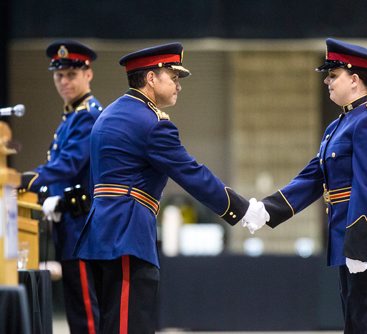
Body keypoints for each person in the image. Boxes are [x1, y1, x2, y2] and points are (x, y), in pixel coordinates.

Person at [73, 42, 268, 334]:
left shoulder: (111, 114)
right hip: (127, 233)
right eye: (173, 78)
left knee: (114, 323)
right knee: (129, 325)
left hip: (103, 231)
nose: (178, 86)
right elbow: (191, 173)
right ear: (151, 78)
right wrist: (242, 210)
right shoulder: (151, 123)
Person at [246, 38, 367, 333]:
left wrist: (360, 244)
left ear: (354, 79)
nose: (327, 81)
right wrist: (267, 210)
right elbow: (313, 177)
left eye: (333, 75)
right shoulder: (338, 125)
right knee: (355, 323)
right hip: (351, 237)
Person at [19, 40, 102, 334]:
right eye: (59, 75)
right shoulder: (71, 116)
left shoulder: (87, 115)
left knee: (85, 311)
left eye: (71, 75)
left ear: (88, 74)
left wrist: (26, 179)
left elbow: (67, 165)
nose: (64, 81)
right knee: (77, 307)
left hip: (82, 226)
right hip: (69, 223)